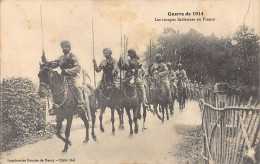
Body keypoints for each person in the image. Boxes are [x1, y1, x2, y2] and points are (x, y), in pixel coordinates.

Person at [42, 40, 84, 115]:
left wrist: (67, 71)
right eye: (63, 47)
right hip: (63, 78)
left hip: (72, 77)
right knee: (55, 88)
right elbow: (52, 64)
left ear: (69, 48)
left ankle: (80, 104)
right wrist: (45, 59)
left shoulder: (72, 57)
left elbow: (78, 67)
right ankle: (54, 106)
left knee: (76, 87)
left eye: (66, 47)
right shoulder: (60, 58)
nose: (64, 48)